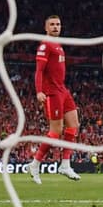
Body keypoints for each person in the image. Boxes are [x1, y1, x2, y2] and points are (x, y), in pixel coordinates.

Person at [28, 15, 81, 183]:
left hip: (62, 89)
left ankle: (65, 164)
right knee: (55, 131)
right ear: (46, 28)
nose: (56, 27)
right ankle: (35, 164)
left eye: (58, 24)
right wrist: (39, 91)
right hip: (52, 92)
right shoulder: (45, 45)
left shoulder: (58, 45)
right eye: (52, 24)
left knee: (73, 125)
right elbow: (39, 71)